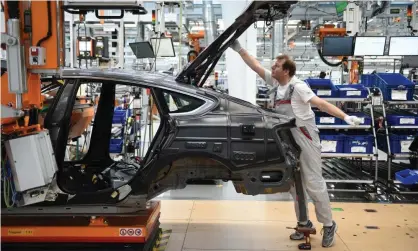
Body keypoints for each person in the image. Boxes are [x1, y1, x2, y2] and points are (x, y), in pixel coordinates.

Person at [229, 40, 361, 248]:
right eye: (272, 66)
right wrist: (238, 48)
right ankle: (303, 223)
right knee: (293, 185)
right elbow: (254, 65)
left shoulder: (298, 87)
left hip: (305, 139)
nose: (272, 68)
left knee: (314, 184)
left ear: (287, 71)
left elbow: (322, 104)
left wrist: (345, 117)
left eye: (276, 66)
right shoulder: (276, 85)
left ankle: (328, 225)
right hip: (286, 140)